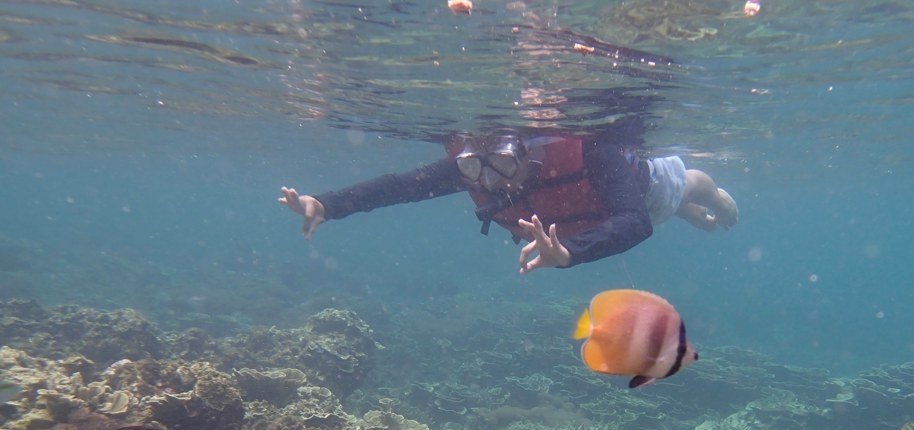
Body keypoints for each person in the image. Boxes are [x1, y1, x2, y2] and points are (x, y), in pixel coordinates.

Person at [279, 132, 738, 275]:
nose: (487, 178)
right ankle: (686, 209)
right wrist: (327, 204)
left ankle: (703, 195)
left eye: (499, 161)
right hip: (585, 219)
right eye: (474, 166)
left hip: (643, 194)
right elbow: (399, 187)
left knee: (687, 187)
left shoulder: (593, 153)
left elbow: (635, 222)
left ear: (530, 150)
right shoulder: (471, 167)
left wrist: (571, 253)